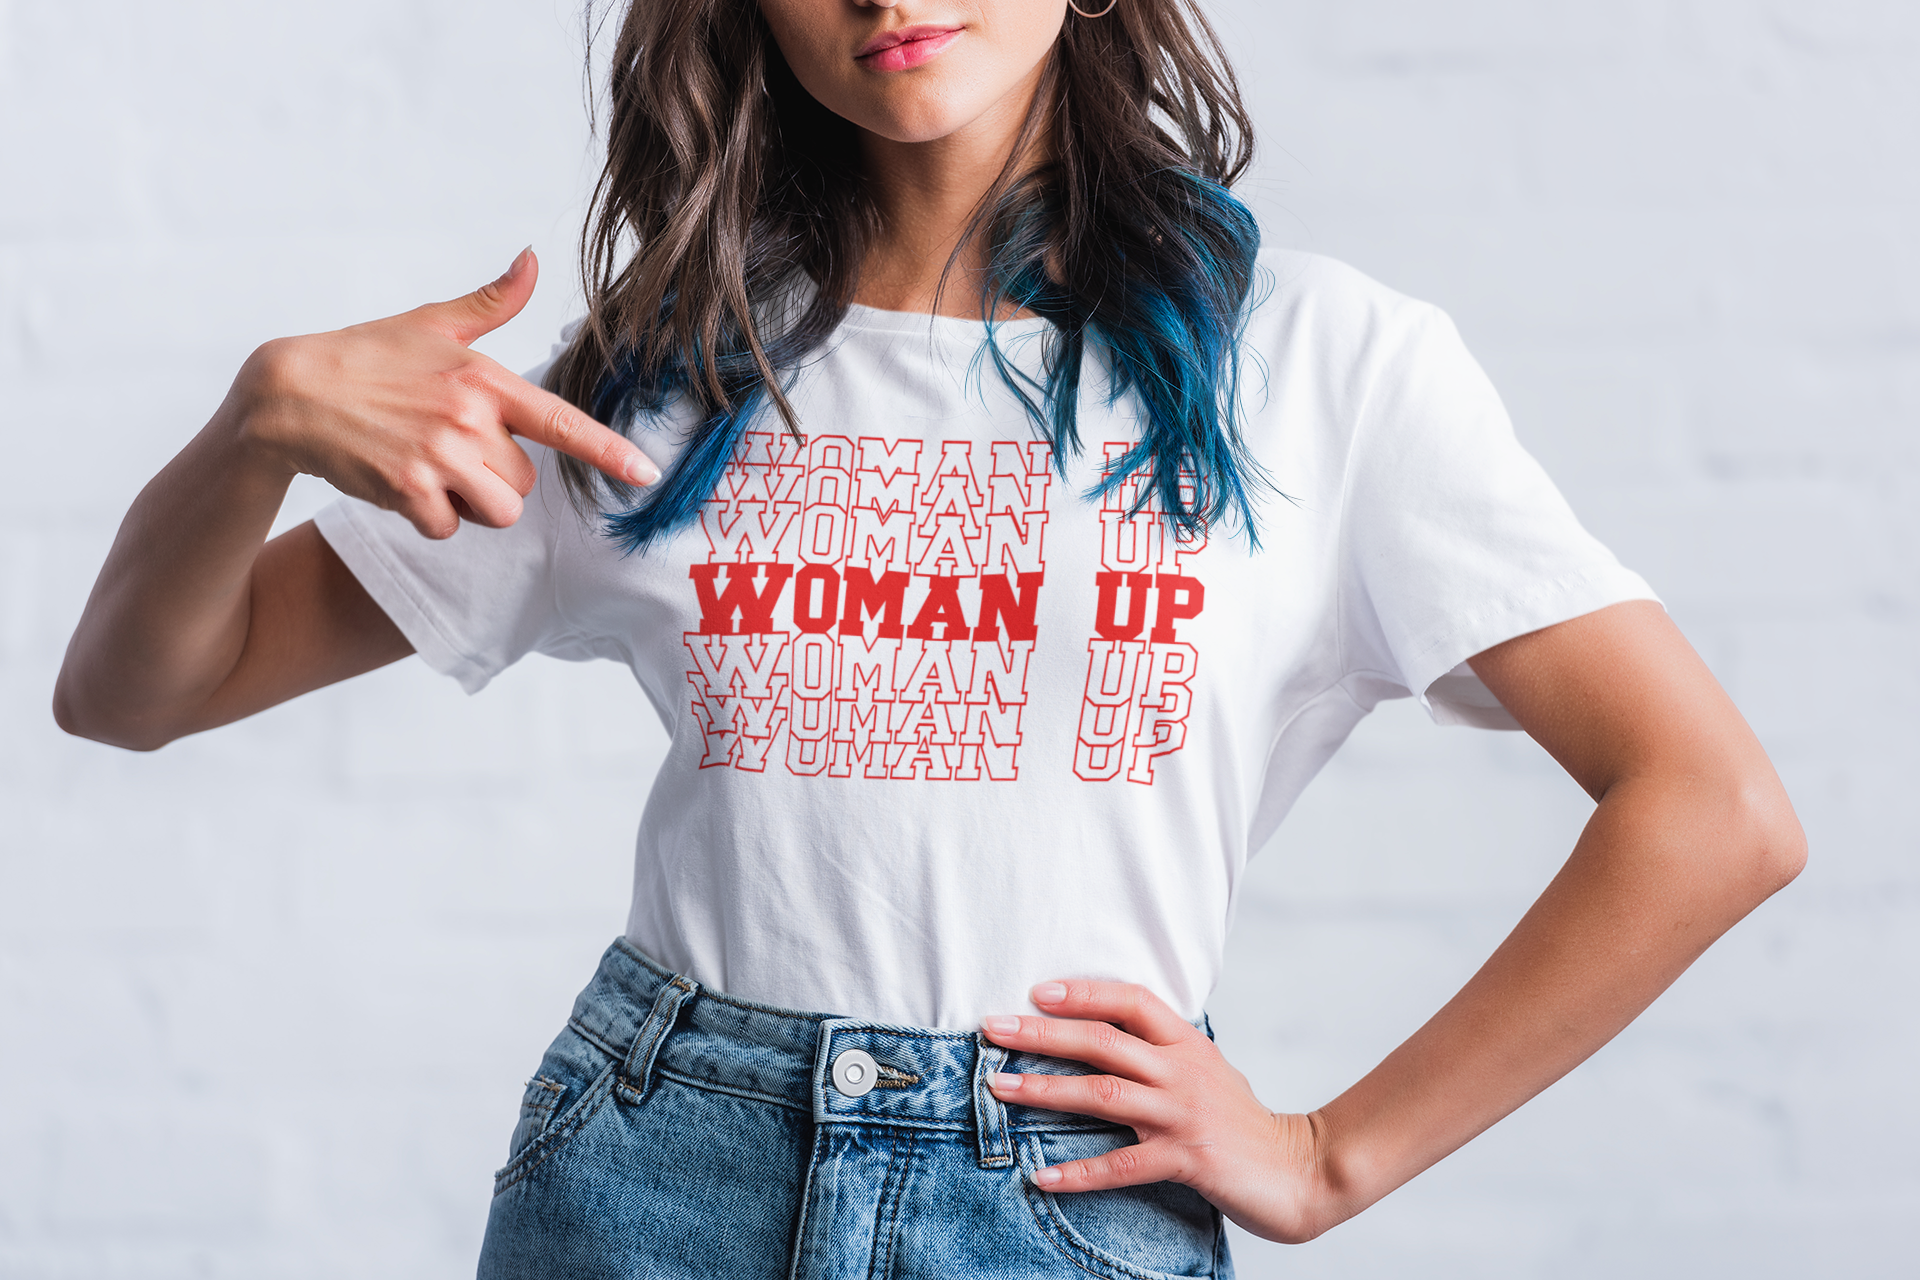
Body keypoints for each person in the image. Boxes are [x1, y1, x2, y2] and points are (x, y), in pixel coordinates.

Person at [53, 0, 1806, 1275]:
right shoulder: (670, 365)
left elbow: (1709, 806)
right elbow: (138, 691)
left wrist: (1330, 1156)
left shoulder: (1322, 366)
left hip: (1055, 1206)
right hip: (659, 1179)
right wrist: (252, 429)